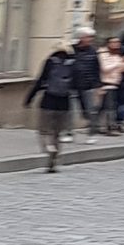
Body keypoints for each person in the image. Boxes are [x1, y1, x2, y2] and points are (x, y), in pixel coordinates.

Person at [23, 39, 85, 170]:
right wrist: (83, 108)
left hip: (48, 101)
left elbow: (40, 81)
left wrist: (29, 98)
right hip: (64, 103)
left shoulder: (50, 62)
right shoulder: (75, 65)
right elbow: (80, 88)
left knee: (44, 131)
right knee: (57, 133)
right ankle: (54, 160)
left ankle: (48, 148)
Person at [95, 38, 124, 135]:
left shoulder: (118, 54)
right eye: (114, 42)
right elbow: (105, 68)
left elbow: (123, 69)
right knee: (110, 106)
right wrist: (118, 64)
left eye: (118, 42)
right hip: (106, 83)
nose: (116, 44)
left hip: (116, 83)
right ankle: (110, 127)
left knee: (104, 106)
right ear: (108, 43)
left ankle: (95, 125)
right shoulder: (103, 54)